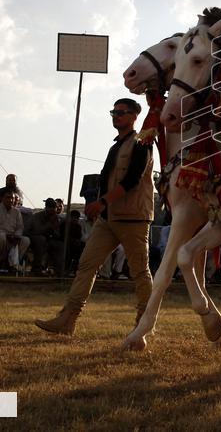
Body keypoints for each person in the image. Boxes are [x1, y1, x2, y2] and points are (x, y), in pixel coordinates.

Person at [36, 98, 155, 335]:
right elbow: (106, 180)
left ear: (134, 116)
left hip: (133, 218)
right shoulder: (115, 146)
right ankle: (67, 319)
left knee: (140, 271)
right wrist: (100, 205)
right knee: (86, 265)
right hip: (109, 218)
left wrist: (101, 202)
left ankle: (144, 324)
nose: (115, 116)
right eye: (113, 112)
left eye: (121, 112)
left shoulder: (142, 142)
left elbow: (132, 180)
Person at [0, 192, 30, 273]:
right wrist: (7, 235)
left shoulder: (17, 212)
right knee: (0, 236)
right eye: (8, 197)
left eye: (12, 198)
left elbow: (20, 227)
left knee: (26, 240)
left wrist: (16, 235)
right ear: (2, 199)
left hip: (13, 237)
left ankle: (12, 264)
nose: (10, 200)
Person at [26, 198, 63, 276]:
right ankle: (37, 268)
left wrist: (54, 229)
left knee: (59, 245)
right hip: (33, 237)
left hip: (48, 238)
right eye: (50, 208)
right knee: (41, 240)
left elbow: (58, 235)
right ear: (46, 208)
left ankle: (58, 269)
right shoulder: (37, 216)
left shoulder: (56, 218)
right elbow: (36, 231)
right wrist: (48, 225)